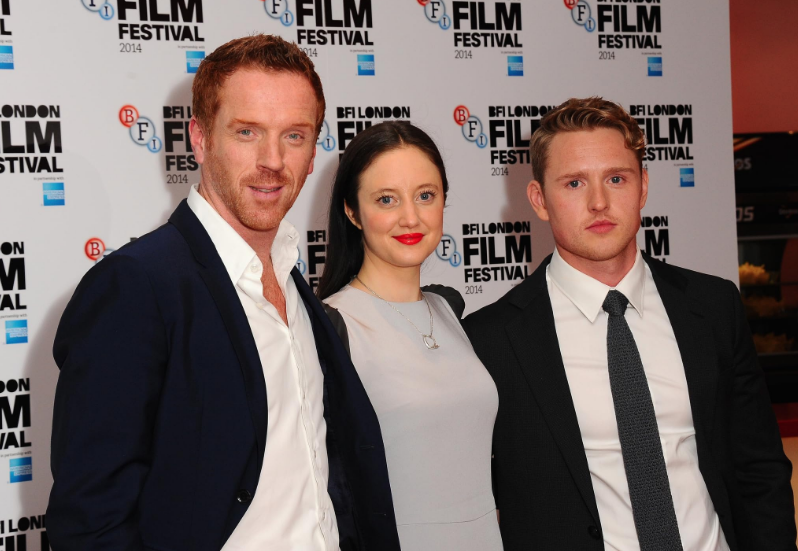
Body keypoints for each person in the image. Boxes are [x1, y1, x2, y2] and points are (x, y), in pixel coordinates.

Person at [47, 35, 400, 551]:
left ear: (313, 152)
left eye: (294, 136)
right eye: (247, 132)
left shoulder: (297, 287)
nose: (272, 160)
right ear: (200, 138)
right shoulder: (136, 286)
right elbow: (90, 521)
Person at [464, 97, 797, 551]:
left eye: (616, 179)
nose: (599, 202)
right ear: (539, 200)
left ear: (643, 187)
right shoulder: (491, 340)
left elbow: (758, 467)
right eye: (574, 183)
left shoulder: (713, 307)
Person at [317, 121, 503, 551]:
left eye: (425, 195)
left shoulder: (451, 310)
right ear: (352, 212)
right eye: (386, 199)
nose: (411, 218)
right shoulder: (331, 327)